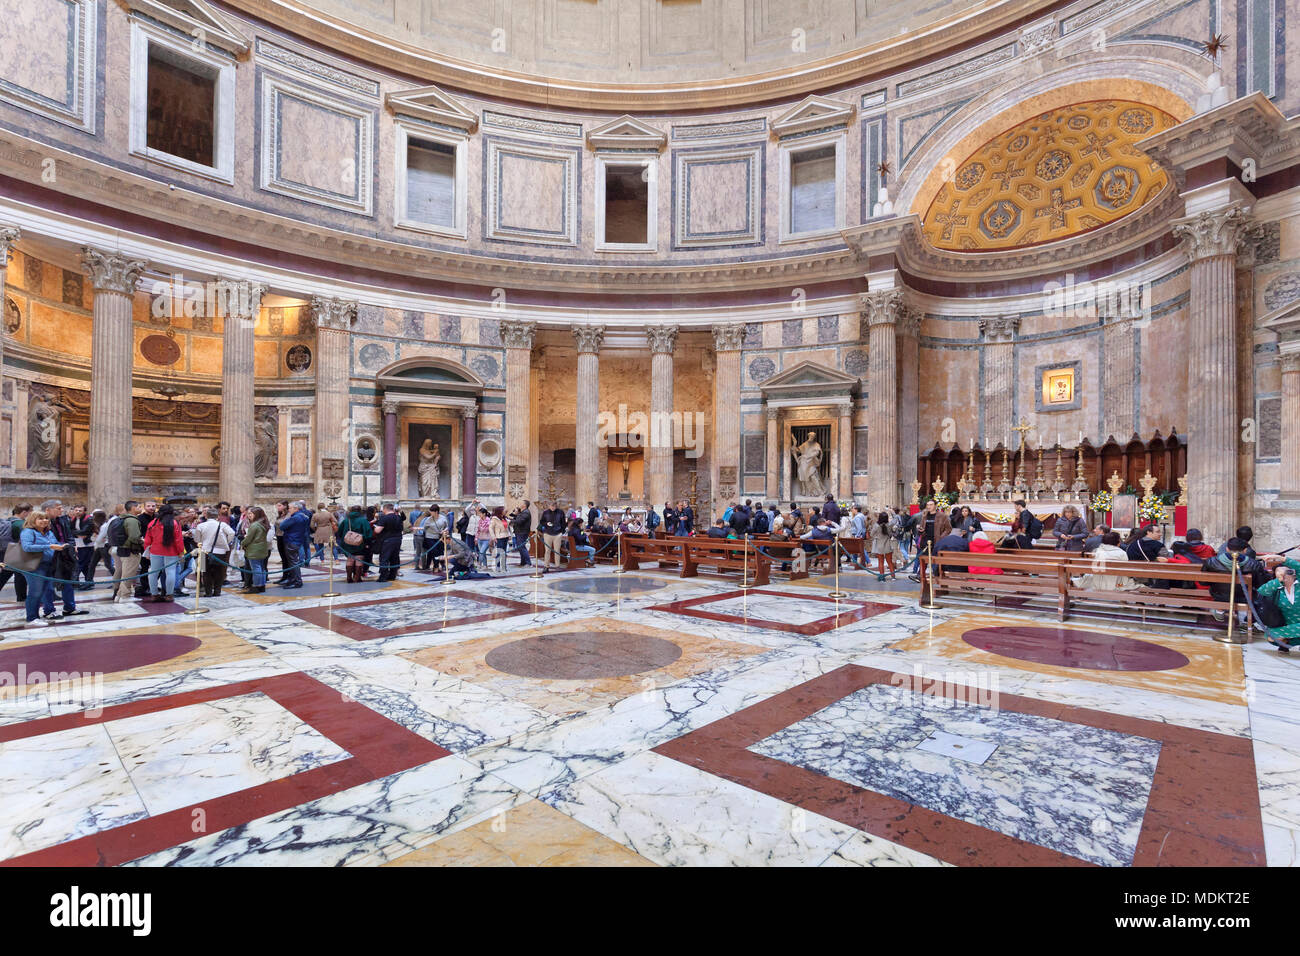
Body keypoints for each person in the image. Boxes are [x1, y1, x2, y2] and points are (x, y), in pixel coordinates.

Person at [18, 509, 65, 626]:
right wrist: (48, 546)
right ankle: (32, 618)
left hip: (48, 564)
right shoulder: (28, 532)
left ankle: (47, 612)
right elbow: (27, 547)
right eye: (40, 518)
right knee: (35, 592)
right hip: (34, 566)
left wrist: (63, 546)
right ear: (33, 520)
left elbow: (55, 543)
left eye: (46, 518)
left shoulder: (48, 532)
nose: (44, 521)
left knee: (48, 590)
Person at [42, 500, 84, 616]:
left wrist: (71, 545)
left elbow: (69, 534)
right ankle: (49, 610)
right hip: (50, 555)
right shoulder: (41, 521)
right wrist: (60, 545)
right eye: (58, 508)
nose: (62, 510)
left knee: (67, 581)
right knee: (48, 585)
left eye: (61, 508)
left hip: (65, 554)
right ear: (47, 510)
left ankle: (69, 607)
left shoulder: (62, 520)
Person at [141, 504, 185, 602]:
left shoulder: (153, 523)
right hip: (171, 552)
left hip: (155, 551)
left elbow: (148, 540)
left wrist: (146, 551)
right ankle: (169, 595)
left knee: (153, 573)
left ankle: (154, 595)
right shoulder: (174, 523)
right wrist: (180, 552)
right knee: (170, 572)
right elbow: (178, 540)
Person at [1072, 531, 1137, 591]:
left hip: (1097, 582)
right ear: (1118, 543)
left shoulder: (1096, 551)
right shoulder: (1122, 553)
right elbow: (1124, 571)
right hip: (1116, 584)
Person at [1257, 563, 1300, 652]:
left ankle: (1287, 639)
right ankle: (1287, 642)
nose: (1283, 573)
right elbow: (1262, 591)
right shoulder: (1277, 588)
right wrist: (1279, 580)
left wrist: (1284, 560)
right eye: (1278, 571)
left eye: (1286, 570)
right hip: (1287, 625)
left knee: (1275, 634)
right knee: (1270, 637)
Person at [194, 507, 236, 597]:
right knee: (219, 572)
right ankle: (217, 591)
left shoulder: (201, 525)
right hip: (220, 551)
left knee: (205, 572)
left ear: (206, 516)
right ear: (217, 516)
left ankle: (208, 592)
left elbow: (197, 539)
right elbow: (232, 533)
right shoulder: (222, 525)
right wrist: (226, 542)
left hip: (203, 551)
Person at [908, 499, 953, 581]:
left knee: (935, 560)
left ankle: (938, 576)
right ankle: (920, 575)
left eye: (931, 505)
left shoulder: (942, 516)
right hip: (926, 541)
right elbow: (922, 527)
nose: (929, 506)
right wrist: (920, 530)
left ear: (935, 506)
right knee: (924, 559)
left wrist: (941, 537)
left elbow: (948, 529)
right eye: (928, 505)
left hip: (937, 541)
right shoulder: (925, 515)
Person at [0, 504, 32, 601]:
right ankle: (21, 598)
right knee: (20, 576)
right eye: (30, 512)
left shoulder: (8, 520)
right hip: (18, 552)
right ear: (24, 512)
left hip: (6, 552)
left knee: (5, 574)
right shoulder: (21, 524)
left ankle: (21, 597)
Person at [278, 501, 311, 589]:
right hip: (298, 540)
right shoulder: (304, 516)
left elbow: (282, 526)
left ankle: (297, 581)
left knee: (293, 562)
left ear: (296, 508)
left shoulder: (295, 517)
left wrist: (287, 519)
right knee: (293, 562)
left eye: (290, 508)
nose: (288, 510)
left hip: (291, 540)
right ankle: (293, 579)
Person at [337, 505, 372, 583]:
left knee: (350, 559)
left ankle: (349, 578)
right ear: (360, 511)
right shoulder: (363, 520)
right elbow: (368, 533)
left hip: (348, 544)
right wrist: (367, 542)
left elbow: (339, 532)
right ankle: (357, 578)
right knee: (359, 560)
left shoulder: (346, 520)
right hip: (360, 543)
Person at [240, 507, 271, 594]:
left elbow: (249, 538)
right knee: (261, 568)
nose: (249, 516)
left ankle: (256, 586)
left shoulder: (254, 525)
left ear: (256, 514)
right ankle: (261, 585)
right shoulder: (263, 523)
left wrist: (242, 543)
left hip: (254, 549)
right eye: (248, 514)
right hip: (262, 548)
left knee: (256, 568)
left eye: (251, 514)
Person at [373, 502, 405, 582]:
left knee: (385, 558)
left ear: (385, 509)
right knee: (394, 558)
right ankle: (392, 575)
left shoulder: (385, 518)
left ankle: (383, 577)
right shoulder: (398, 517)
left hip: (387, 540)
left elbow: (378, 530)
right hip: (398, 540)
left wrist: (375, 527)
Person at [870, 510, 898, 581]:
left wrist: (876, 537)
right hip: (888, 544)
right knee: (890, 562)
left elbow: (871, 534)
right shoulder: (889, 524)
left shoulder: (876, 526)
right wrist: (892, 512)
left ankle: (882, 577)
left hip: (879, 545)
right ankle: (893, 577)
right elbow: (896, 519)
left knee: (880, 562)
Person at [310, 502, 337, 566]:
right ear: (324, 506)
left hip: (319, 530)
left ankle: (322, 560)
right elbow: (335, 521)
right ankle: (336, 559)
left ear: (318, 508)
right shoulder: (329, 514)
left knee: (320, 546)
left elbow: (311, 525)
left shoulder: (315, 515)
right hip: (329, 530)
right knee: (332, 546)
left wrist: (315, 529)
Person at [510, 502, 533, 567]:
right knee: (520, 547)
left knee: (522, 547)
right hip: (519, 531)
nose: (520, 503)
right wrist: (515, 514)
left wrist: (510, 521)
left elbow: (520, 521)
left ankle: (528, 563)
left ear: (524, 505)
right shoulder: (522, 512)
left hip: (522, 532)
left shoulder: (526, 512)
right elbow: (517, 519)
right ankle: (523, 562)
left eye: (521, 503)